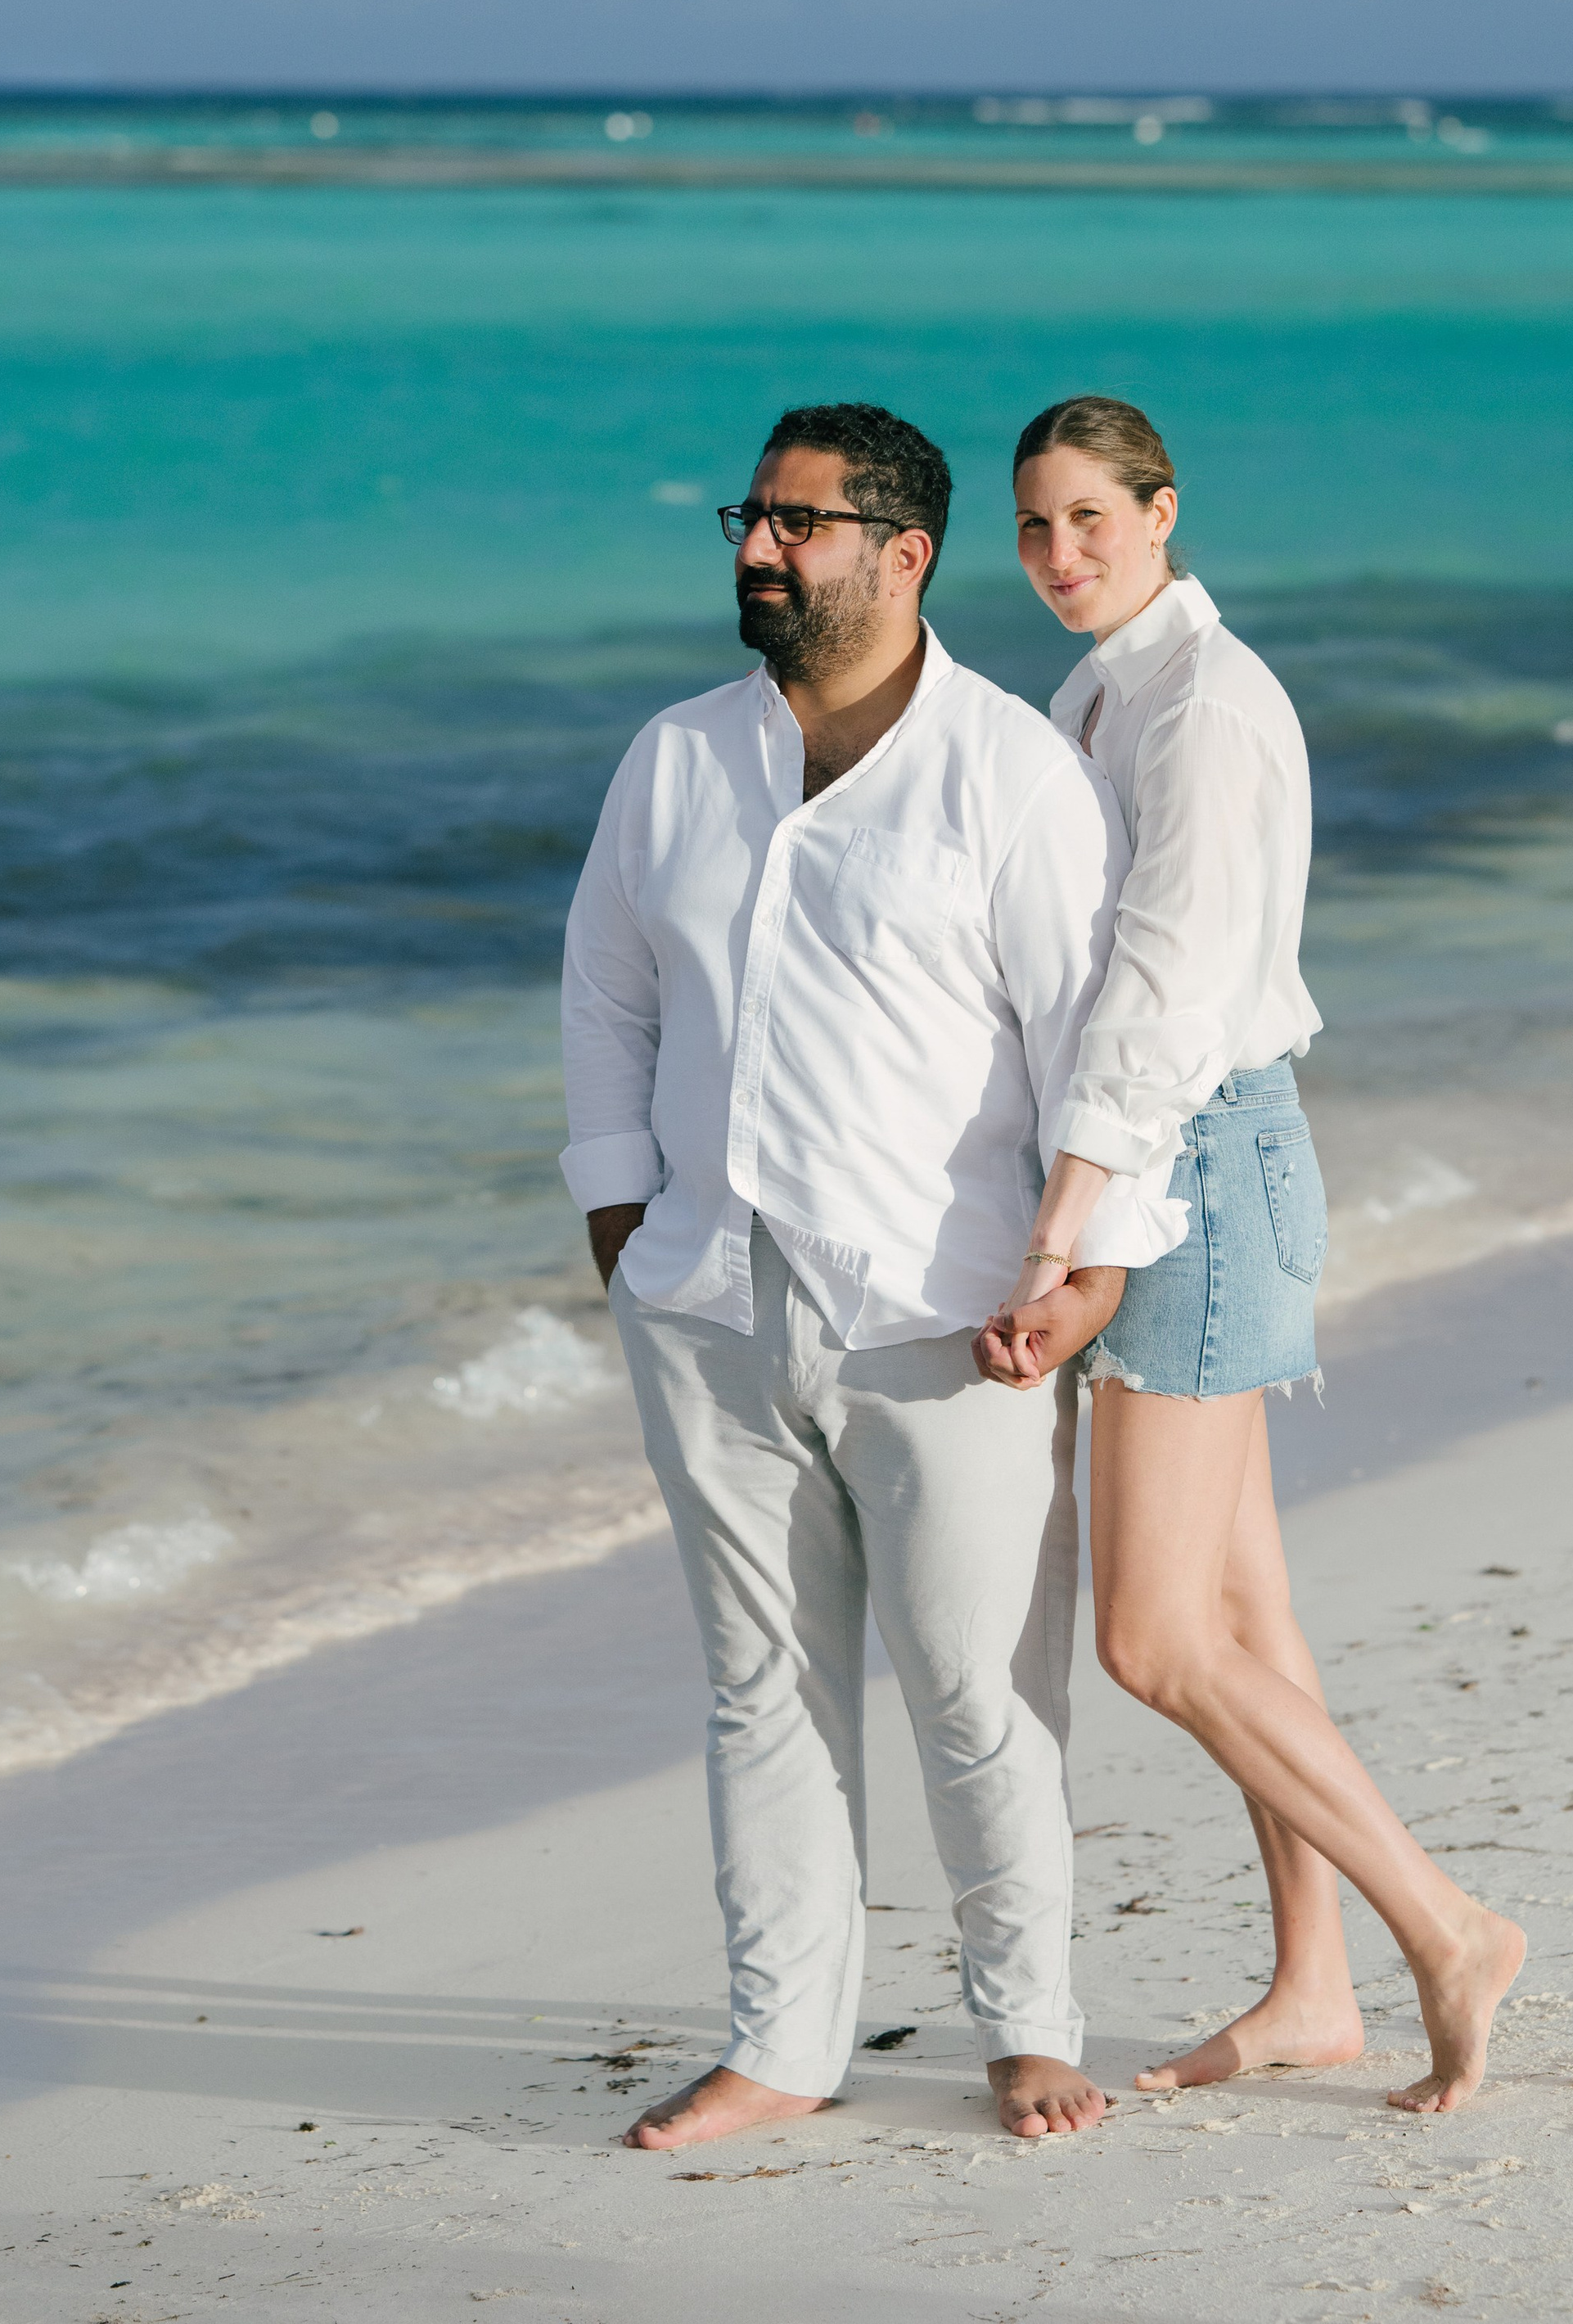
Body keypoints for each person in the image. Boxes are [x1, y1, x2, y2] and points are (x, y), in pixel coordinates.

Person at [561, 401, 1178, 2150]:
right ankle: (781, 2036)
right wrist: (621, 1223)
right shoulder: (675, 757)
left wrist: (1096, 1268)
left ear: (902, 555)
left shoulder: (1007, 774)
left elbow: (1096, 1046)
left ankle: (1027, 2022)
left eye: (797, 525)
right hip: (702, 1296)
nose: (756, 550)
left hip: (946, 1308)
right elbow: (607, 997)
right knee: (757, 1686)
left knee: (979, 1690)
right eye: (747, 518)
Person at [975, 393, 1524, 2116]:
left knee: (1150, 1639)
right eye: (1035, 528)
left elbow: (1158, 991)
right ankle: (1312, 1987)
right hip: (1190, 1158)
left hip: (1190, 1171)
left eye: (1090, 520)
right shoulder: (1108, 686)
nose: (1061, 555)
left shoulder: (1200, 708)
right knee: (1243, 1620)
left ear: (1160, 511)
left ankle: (1442, 1924)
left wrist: (1065, 1225)